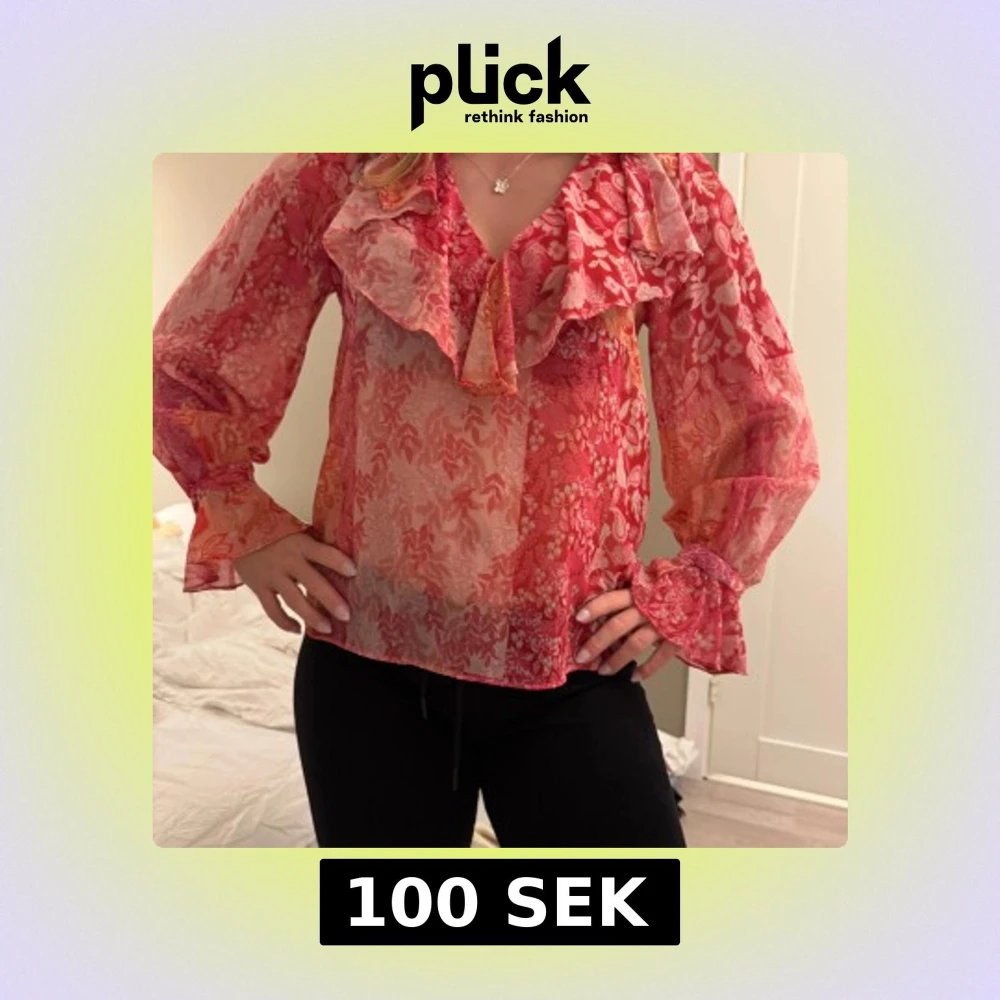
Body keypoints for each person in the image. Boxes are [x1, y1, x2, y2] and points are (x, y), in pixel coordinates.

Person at [152, 151, 820, 848]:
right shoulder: (343, 168)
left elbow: (759, 410)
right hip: (367, 658)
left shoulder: (659, 185)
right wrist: (242, 516)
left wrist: (702, 578)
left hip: (574, 659)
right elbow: (190, 355)